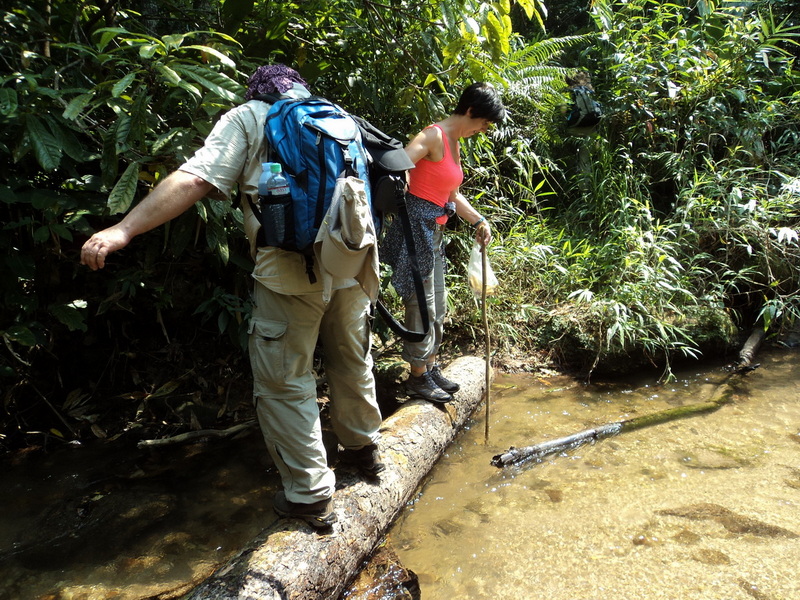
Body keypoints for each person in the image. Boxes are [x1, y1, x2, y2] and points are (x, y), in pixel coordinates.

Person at [80, 65, 384, 531]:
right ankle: (365, 451)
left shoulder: (248, 118)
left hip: (288, 274)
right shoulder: (335, 117)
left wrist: (123, 229)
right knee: (350, 358)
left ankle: (309, 495)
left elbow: (197, 179)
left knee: (286, 380)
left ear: (256, 91)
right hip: (350, 267)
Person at [381, 82, 506, 404]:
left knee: (436, 303)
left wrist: (478, 220)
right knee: (420, 305)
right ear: (470, 111)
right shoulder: (434, 135)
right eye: (484, 122)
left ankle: (430, 366)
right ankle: (418, 377)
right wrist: (405, 191)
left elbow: (451, 193)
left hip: (433, 232)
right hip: (415, 231)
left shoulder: (453, 142)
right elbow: (397, 165)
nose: (483, 129)